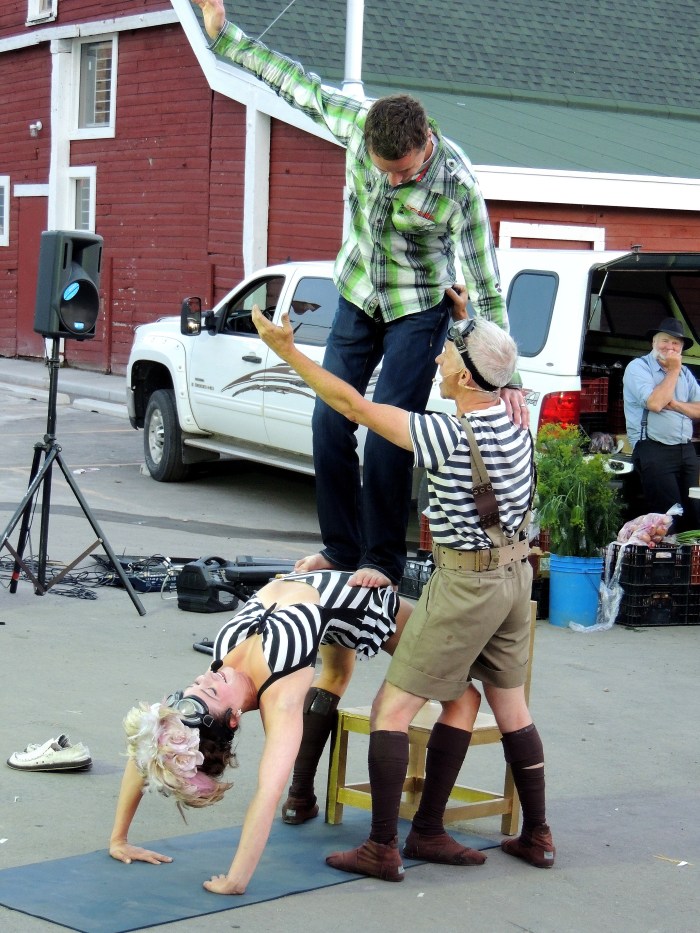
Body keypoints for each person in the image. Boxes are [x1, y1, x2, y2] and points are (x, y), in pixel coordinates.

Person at [194, 0, 527, 589]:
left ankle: (382, 562)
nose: (393, 181)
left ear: (425, 142)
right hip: (355, 293)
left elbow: (486, 277)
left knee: (388, 431)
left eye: (403, 172)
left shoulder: (458, 189)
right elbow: (290, 80)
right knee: (328, 420)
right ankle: (341, 549)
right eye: (383, 171)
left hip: (416, 310)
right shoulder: (356, 122)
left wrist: (507, 378)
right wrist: (224, 38)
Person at [252, 305, 555, 880]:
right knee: (502, 705)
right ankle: (533, 836)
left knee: (393, 710)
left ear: (466, 377)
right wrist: (469, 322)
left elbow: (352, 406)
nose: (436, 356)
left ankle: (382, 847)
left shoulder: (443, 435)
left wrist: (287, 351)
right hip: (516, 579)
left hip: (467, 584)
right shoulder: (517, 420)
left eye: (446, 352)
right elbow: (495, 368)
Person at [108, 569, 412, 895]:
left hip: (347, 585)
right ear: (233, 718)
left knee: (347, 674)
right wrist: (236, 880)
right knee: (459, 690)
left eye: (197, 684)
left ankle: (304, 800)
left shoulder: (220, 666)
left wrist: (118, 837)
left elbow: (147, 748)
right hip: (362, 599)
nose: (208, 678)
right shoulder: (282, 694)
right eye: (209, 691)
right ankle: (409, 832)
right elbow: (267, 794)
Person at [623, 317, 700, 532]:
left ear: (682, 348)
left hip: (685, 450)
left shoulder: (686, 373)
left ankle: (689, 564)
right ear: (653, 343)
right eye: (665, 340)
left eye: (676, 343)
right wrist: (673, 370)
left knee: (694, 515)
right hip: (654, 449)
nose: (670, 347)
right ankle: (664, 564)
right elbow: (655, 403)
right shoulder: (638, 368)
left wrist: (674, 404)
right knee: (666, 518)